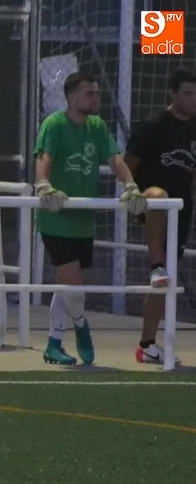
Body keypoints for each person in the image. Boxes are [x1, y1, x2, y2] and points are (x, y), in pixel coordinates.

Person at [33, 71, 147, 366]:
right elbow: (43, 159)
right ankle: (82, 328)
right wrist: (43, 185)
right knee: (74, 283)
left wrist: (131, 185)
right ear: (72, 97)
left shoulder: (97, 126)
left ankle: (54, 343)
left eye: (97, 93)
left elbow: (115, 160)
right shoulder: (54, 124)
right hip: (57, 217)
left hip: (84, 219)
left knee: (66, 285)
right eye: (89, 94)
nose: (96, 98)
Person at [123, 68, 196, 365]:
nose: (193, 99)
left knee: (165, 281)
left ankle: (147, 345)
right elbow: (127, 166)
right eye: (188, 93)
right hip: (149, 202)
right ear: (173, 94)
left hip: (181, 209)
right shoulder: (151, 127)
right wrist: (133, 196)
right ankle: (156, 264)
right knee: (159, 195)